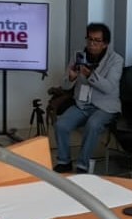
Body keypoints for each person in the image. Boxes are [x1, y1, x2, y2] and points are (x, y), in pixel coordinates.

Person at [51, 22, 124, 173]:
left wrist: (90, 75)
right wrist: (71, 78)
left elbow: (109, 87)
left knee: (93, 124)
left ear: (105, 44)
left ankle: (83, 165)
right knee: (61, 125)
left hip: (105, 106)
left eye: (97, 40)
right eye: (89, 39)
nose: (92, 44)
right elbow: (65, 86)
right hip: (82, 104)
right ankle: (64, 161)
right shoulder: (78, 55)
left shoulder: (115, 60)